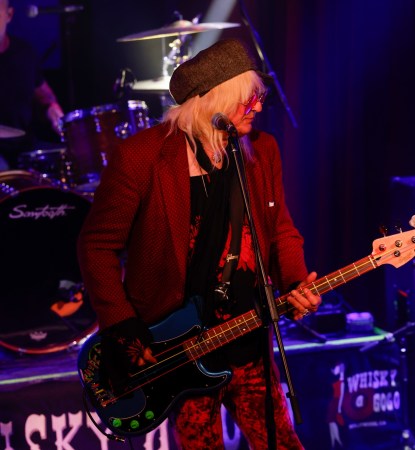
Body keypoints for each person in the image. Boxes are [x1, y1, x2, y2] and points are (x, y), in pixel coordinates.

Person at [77, 38, 321, 449]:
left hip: (248, 335)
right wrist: (122, 325)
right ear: (217, 99)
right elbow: (96, 246)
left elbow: (279, 228)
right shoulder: (141, 157)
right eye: (249, 99)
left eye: (260, 99)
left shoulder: (262, 150)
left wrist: (295, 283)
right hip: (179, 348)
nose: (258, 108)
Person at [0, 0, 64, 169]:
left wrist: (52, 109)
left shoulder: (24, 53)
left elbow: (44, 95)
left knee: (67, 158)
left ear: (9, 15)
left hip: (25, 146)